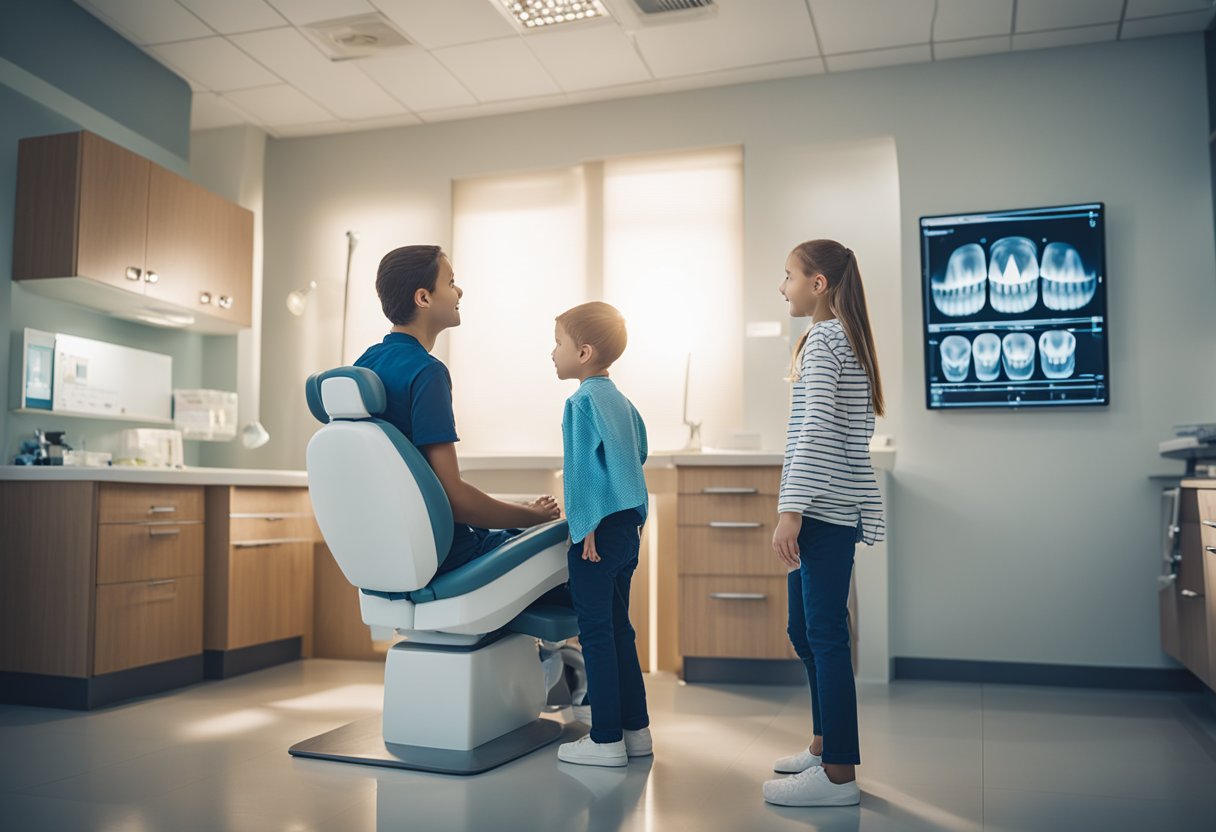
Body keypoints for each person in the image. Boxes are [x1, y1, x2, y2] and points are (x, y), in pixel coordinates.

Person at [763, 239, 886, 807]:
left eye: (788, 276)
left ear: (817, 284)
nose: (782, 286)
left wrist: (791, 510)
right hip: (829, 506)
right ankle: (823, 743)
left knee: (825, 636)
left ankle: (839, 774)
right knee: (806, 630)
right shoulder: (841, 338)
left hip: (822, 511)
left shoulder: (825, 340)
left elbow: (813, 431)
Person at [354, 245, 560, 574]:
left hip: (396, 552)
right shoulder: (426, 372)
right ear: (423, 298)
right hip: (449, 556)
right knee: (569, 545)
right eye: (451, 282)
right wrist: (531, 515)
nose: (459, 290)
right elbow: (456, 498)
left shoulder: (365, 363)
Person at [550, 302, 652, 768]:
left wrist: (585, 524)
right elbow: (641, 452)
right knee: (620, 631)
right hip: (628, 526)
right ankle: (637, 733)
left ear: (584, 352)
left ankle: (605, 739)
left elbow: (582, 473)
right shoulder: (624, 403)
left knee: (594, 634)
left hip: (596, 533)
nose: (553, 353)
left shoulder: (581, 402)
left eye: (559, 343)